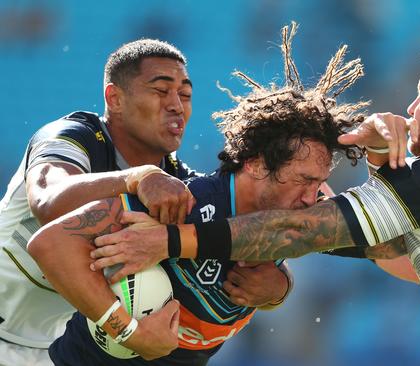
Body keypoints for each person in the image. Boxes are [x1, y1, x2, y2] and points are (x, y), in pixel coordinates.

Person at [91, 42, 420, 365]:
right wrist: (362, 148)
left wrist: (168, 242)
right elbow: (399, 255)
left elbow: (304, 232)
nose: (412, 104)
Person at [27, 23, 385, 365]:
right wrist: (129, 331)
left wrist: (279, 289)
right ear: (257, 165)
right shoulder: (178, 203)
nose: (315, 197)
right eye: (303, 180)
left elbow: (392, 247)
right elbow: (49, 244)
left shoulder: (297, 215)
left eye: (318, 181)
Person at [0, 38, 290, 365]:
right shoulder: (72, 137)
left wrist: (279, 287)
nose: (176, 105)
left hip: (49, 350)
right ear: (115, 98)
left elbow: (233, 232)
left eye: (185, 94)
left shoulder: (177, 184)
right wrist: (135, 178)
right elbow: (48, 201)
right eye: (160, 90)